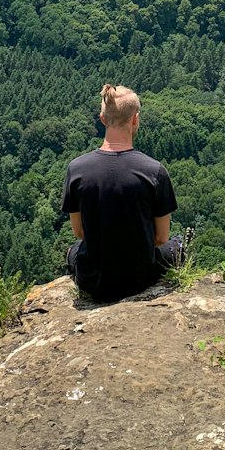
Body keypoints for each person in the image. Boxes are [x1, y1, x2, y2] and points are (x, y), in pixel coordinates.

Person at [61, 83, 184, 302]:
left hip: (93, 279)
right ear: (135, 119)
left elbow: (79, 232)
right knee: (177, 245)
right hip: (140, 278)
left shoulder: (77, 169)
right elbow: (161, 237)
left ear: (102, 118)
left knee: (74, 251)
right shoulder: (154, 171)